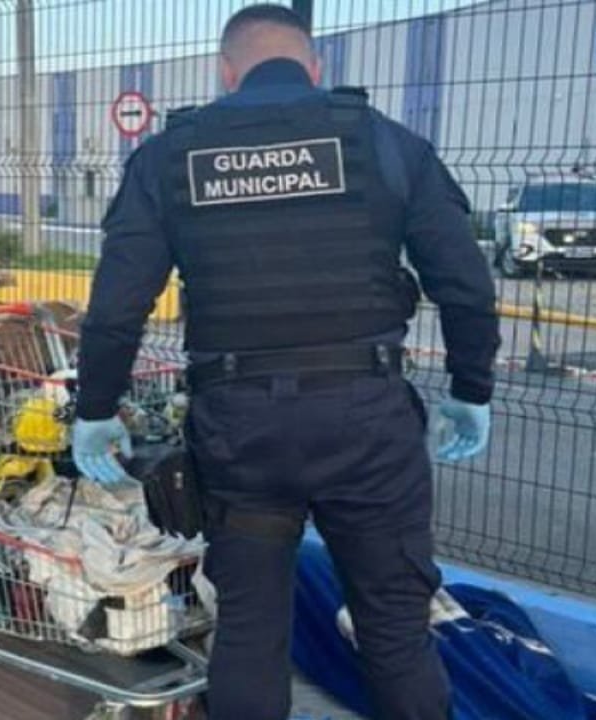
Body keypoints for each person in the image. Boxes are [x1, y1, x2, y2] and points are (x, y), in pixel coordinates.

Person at [72, 5, 500, 719]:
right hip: (367, 426)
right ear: (316, 68)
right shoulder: (386, 144)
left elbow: (117, 306)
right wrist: (471, 389)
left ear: (227, 71)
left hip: (242, 434)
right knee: (395, 629)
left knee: (249, 628)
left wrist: (95, 411)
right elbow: (466, 285)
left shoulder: (171, 158)